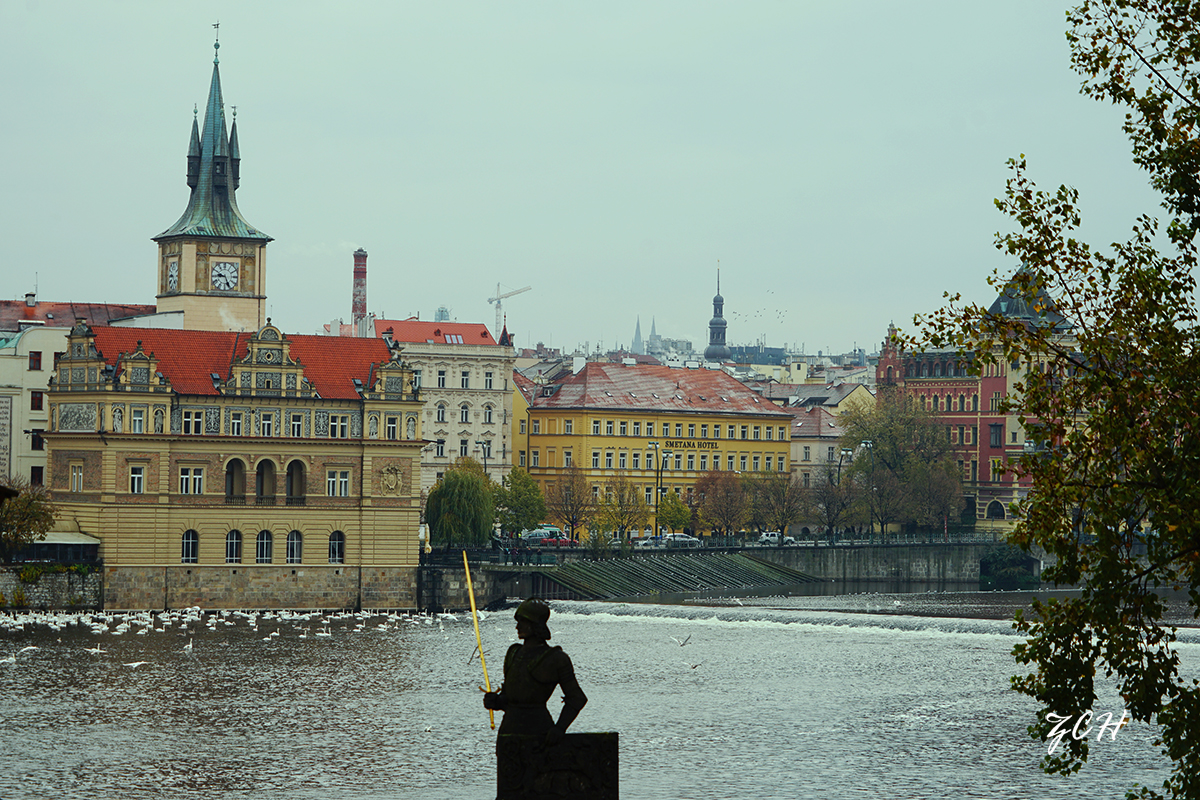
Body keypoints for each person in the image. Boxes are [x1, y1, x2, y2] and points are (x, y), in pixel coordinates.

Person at [483, 598, 587, 745]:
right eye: (518, 622)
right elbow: (509, 698)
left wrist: (560, 728)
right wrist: (496, 701)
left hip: (539, 734)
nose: (517, 627)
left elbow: (577, 698)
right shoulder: (513, 653)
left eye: (523, 622)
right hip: (508, 735)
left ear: (535, 625)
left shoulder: (556, 659)